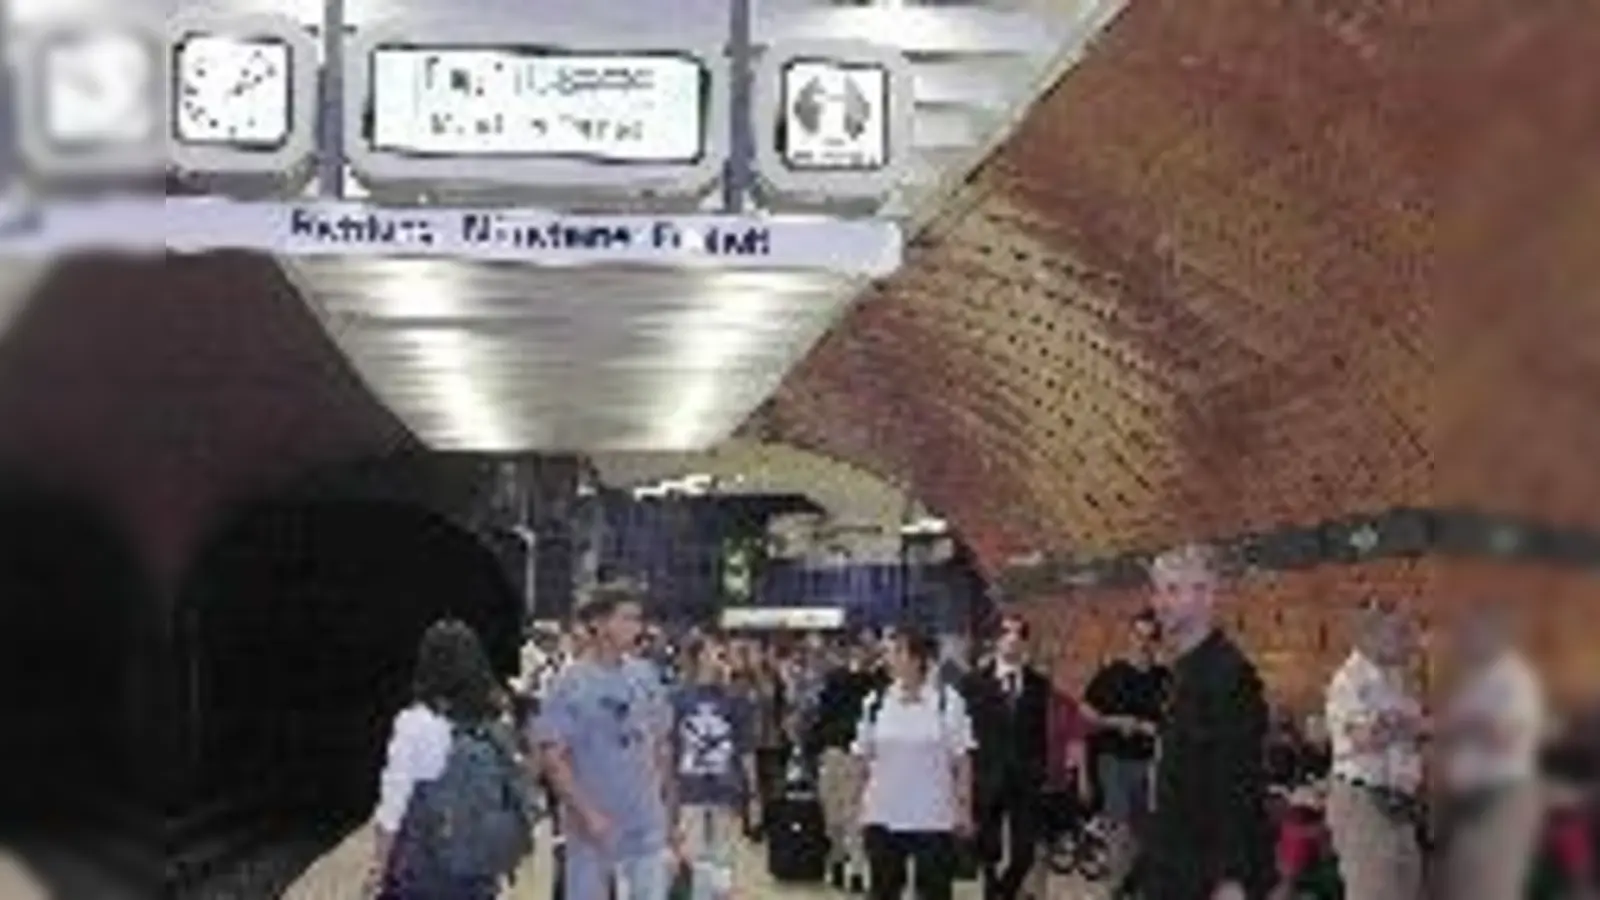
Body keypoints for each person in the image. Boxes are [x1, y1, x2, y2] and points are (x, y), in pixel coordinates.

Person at [364, 619, 532, 899]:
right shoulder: (494, 720)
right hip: (480, 872)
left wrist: (378, 866)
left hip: (422, 870)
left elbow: (393, 805)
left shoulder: (414, 722)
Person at [1143, 544, 1273, 900]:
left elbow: (1239, 782)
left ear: (1205, 595)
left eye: (1172, 590)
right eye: (1158, 590)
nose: (1159, 602)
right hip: (1176, 862)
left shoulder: (1229, 676)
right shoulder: (1183, 671)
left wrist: (1231, 877)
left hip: (1206, 873)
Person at [534, 583, 676, 900]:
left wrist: (668, 814)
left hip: (646, 827)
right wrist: (587, 814)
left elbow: (660, 748)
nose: (635, 628)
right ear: (598, 623)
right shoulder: (569, 684)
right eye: (626, 618)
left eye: (637, 619)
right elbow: (554, 759)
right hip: (593, 832)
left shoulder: (646, 675)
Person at [853, 626, 976, 900]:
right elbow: (863, 758)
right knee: (883, 891)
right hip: (883, 814)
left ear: (917, 658)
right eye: (887, 652)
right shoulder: (876, 702)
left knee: (934, 891)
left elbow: (962, 760)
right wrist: (859, 806)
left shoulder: (947, 702)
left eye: (897, 651)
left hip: (933, 816)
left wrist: (965, 808)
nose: (889, 659)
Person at [1437, 602, 1546, 900]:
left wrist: (1464, 723)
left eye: (1471, 633)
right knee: (1464, 887)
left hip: (1502, 797)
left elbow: (1508, 736)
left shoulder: (1514, 678)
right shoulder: (1475, 678)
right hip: (1471, 801)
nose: (1463, 640)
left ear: (1495, 634)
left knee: (1492, 889)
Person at [1322, 599, 1427, 900]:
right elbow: (1363, 738)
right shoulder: (1349, 681)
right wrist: (1417, 726)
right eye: (1401, 633)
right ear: (1372, 635)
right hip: (1364, 802)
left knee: (1406, 888)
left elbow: (1408, 731)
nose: (1410, 641)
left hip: (1398, 802)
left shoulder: (1396, 679)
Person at [1082, 609, 1172, 897]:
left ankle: (1129, 885)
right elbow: (1085, 713)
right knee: (1120, 827)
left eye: (1149, 637)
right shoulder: (1112, 673)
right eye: (1138, 635)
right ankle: (1115, 887)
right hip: (1114, 760)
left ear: (1156, 641)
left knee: (1143, 833)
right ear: (1130, 636)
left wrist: (1153, 728)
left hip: (1151, 763)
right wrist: (1116, 721)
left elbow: (1177, 720)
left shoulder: (1165, 678)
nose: (1142, 643)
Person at [965, 615, 1052, 900]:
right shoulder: (974, 682)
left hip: (1025, 778)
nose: (1012, 639)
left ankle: (1004, 891)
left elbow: (1040, 732)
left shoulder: (1039, 685)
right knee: (988, 850)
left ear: (1025, 642)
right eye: (1006, 633)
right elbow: (967, 733)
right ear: (996, 640)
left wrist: (1041, 769)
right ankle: (992, 890)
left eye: (1018, 634)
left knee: (1024, 851)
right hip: (988, 775)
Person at [670, 637, 757, 900]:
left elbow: (745, 750)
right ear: (698, 659)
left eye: (723, 654)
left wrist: (753, 795)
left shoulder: (736, 699)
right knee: (693, 863)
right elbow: (669, 750)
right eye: (714, 654)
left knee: (723, 866)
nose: (721, 659)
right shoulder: (676, 698)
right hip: (689, 793)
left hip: (726, 792)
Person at [810, 639, 883, 892]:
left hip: (860, 756)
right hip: (833, 752)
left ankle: (856, 869)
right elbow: (822, 715)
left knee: (854, 814)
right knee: (833, 814)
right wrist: (816, 748)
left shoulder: (878, 684)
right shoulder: (837, 679)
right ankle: (839, 858)